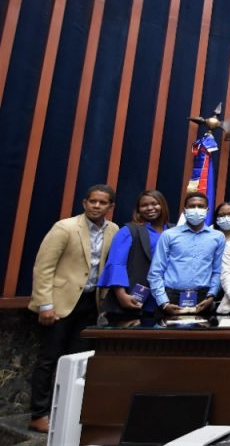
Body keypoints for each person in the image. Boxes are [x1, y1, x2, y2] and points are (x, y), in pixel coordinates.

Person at [28, 184, 118, 434]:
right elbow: (43, 267)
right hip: (60, 303)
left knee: (77, 361)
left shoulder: (114, 230)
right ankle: (38, 414)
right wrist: (45, 304)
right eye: (93, 201)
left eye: (102, 203)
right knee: (49, 358)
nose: (97, 206)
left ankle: (67, 411)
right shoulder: (65, 227)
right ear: (84, 203)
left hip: (91, 303)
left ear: (111, 207)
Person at [149, 191, 225, 317]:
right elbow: (155, 273)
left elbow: (217, 271)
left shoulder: (217, 236)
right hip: (171, 297)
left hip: (203, 297)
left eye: (200, 206)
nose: (196, 210)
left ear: (207, 210)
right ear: (184, 211)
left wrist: (211, 296)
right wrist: (164, 302)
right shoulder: (168, 235)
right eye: (192, 206)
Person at [98, 190, 172, 319]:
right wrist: (121, 294)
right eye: (144, 205)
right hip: (134, 299)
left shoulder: (175, 231)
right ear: (138, 210)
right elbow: (116, 264)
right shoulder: (128, 231)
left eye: (155, 204)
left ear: (163, 205)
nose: (150, 208)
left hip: (168, 300)